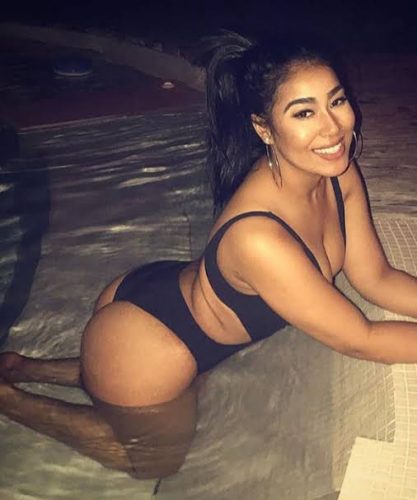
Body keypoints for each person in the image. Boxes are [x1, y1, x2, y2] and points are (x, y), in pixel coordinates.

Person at [0, 31, 417, 481]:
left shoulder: (336, 172)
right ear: (264, 128)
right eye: (304, 112)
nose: (332, 128)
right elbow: (360, 339)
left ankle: (25, 367)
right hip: (153, 346)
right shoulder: (259, 239)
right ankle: (9, 399)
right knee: (153, 464)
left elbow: (375, 278)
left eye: (337, 101)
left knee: (116, 382)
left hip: (165, 300)